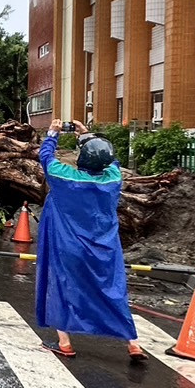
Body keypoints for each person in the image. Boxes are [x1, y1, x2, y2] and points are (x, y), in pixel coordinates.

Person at [34, 119, 146, 362]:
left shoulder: (65, 178)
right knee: (112, 290)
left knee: (62, 286)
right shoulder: (113, 179)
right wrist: (87, 135)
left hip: (68, 244)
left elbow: (46, 157)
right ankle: (133, 344)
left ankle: (64, 343)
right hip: (105, 247)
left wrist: (53, 134)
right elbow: (113, 161)